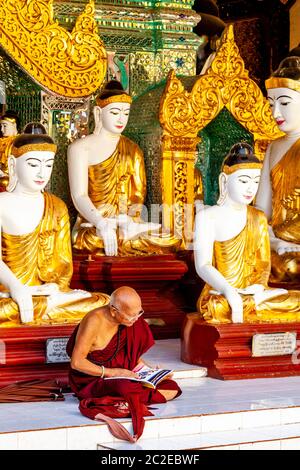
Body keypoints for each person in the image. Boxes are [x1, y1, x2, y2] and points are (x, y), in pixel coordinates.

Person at [0, 133, 109, 327]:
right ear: (13, 163)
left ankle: (46, 305)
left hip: (47, 294)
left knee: (102, 303)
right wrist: (15, 287)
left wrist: (55, 289)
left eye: (48, 165)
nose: (42, 173)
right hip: (8, 296)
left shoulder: (57, 206)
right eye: (33, 165)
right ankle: (44, 306)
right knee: (6, 309)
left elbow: (63, 265)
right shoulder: (2, 204)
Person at [67, 80, 180, 256]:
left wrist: (128, 219)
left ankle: (128, 236)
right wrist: (102, 223)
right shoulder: (80, 148)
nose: (121, 119)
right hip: (93, 225)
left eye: (126, 113)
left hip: (126, 222)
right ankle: (124, 238)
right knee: (94, 240)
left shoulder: (133, 149)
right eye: (114, 112)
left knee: (171, 237)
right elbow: (79, 195)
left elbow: (137, 194)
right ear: (98, 112)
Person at [194, 142, 300, 324]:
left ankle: (252, 303)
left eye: (256, 181)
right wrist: (229, 291)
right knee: (218, 307)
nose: (251, 188)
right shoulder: (206, 217)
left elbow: (263, 264)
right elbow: (203, 265)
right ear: (224, 181)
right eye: (244, 181)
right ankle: (248, 305)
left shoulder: (258, 218)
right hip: (220, 294)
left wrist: (258, 287)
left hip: (253, 292)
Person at [67, 286, 181, 440]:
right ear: (114, 311)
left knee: (172, 387)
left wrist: (151, 373)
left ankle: (121, 399)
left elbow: (131, 359)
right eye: (131, 315)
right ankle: (126, 396)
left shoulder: (132, 323)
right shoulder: (94, 321)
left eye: (139, 312)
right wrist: (114, 372)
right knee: (124, 386)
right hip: (93, 379)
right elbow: (77, 362)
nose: (136, 319)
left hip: (124, 375)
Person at [256, 56, 300, 282]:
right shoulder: (274, 146)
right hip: (276, 242)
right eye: (271, 104)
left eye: (284, 103)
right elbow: (262, 209)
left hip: (293, 246)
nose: (275, 113)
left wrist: (280, 234)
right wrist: (265, 235)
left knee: (290, 268)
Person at [0, 110, 20, 190]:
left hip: (11, 178)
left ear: (14, 125)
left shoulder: (18, 142)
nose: (2, 130)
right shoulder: (2, 142)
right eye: (1, 126)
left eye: (5, 126)